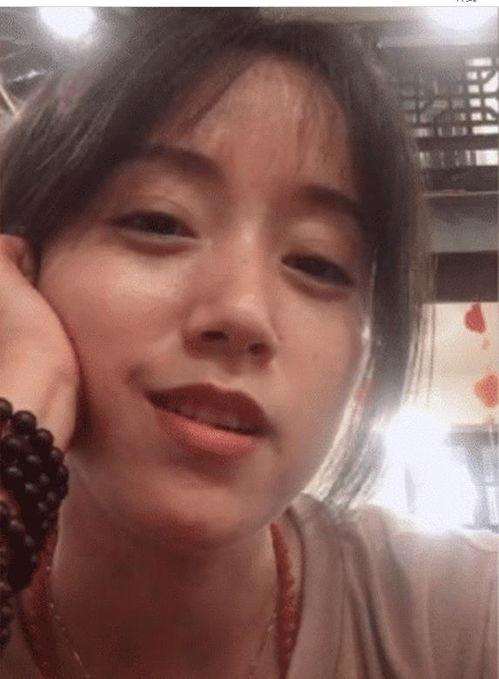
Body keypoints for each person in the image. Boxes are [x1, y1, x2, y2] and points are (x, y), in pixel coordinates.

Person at [0, 8, 496, 679]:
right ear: (22, 273)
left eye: (318, 262)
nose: (241, 312)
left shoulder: (459, 618)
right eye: (160, 221)